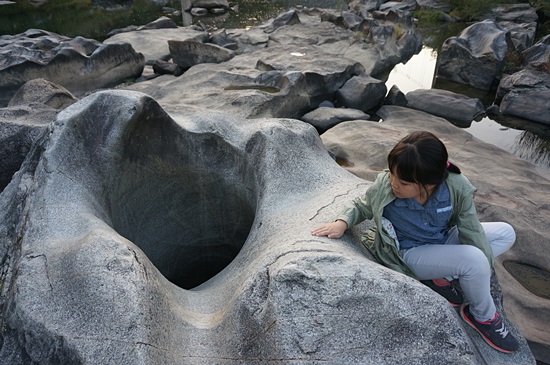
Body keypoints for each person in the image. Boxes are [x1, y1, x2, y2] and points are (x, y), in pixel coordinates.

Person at [311, 130, 519, 353]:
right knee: (473, 260)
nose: (393, 183)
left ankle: (442, 276)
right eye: (391, 173)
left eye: (403, 181)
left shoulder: (455, 187)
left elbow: (471, 229)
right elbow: (362, 205)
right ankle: (483, 316)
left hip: (439, 240)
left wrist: (482, 272)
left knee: (505, 233)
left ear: (429, 183)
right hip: (408, 253)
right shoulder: (386, 185)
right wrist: (342, 222)